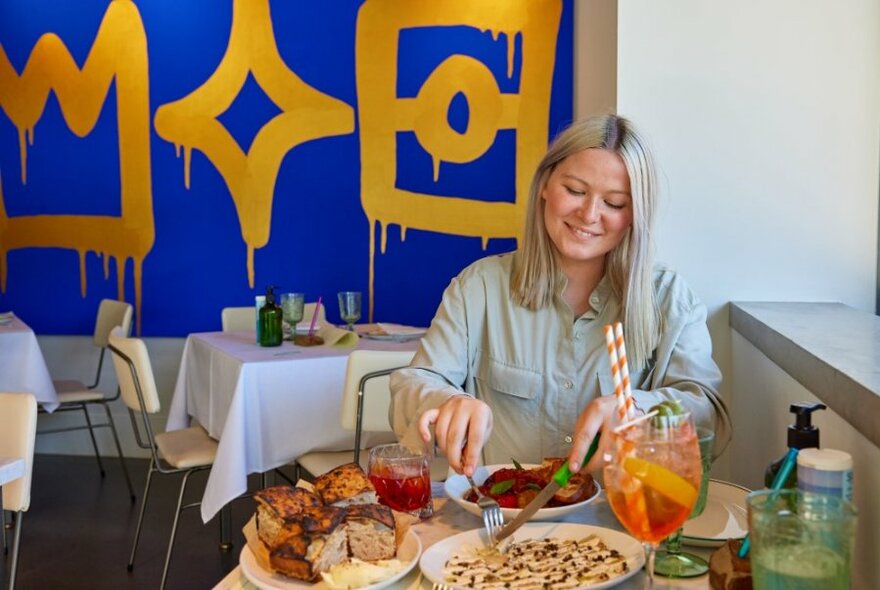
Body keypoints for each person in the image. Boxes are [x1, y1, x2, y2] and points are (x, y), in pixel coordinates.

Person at [389, 113, 731, 478]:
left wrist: (638, 412)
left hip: (623, 520)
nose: (589, 214)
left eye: (614, 203)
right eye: (575, 191)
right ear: (545, 185)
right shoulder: (479, 288)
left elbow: (708, 414)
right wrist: (447, 401)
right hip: (504, 522)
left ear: (635, 215)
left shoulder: (669, 299)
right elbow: (412, 385)